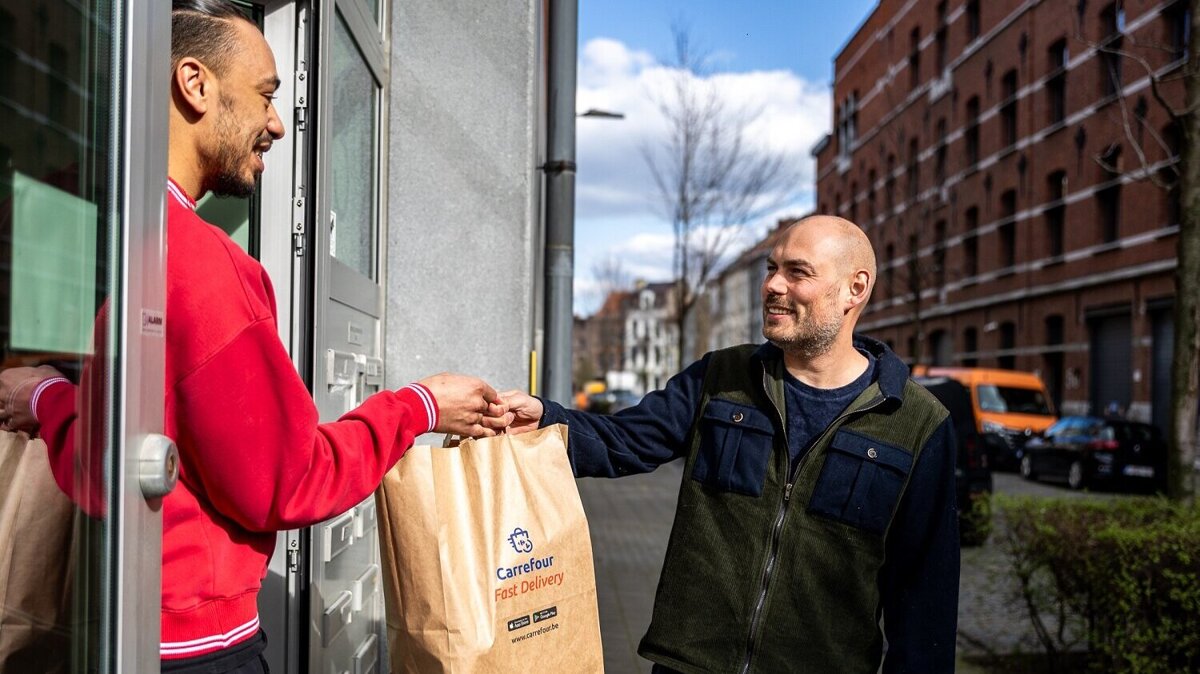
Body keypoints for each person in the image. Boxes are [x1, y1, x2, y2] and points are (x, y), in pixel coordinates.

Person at [0, 1, 510, 672]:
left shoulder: (119, 237)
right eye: (267, 94)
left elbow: (114, 455)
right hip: (198, 648)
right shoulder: (203, 265)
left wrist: (47, 401)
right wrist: (419, 405)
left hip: (124, 624)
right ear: (195, 84)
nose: (276, 122)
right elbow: (288, 483)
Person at [503, 215, 960, 673]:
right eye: (770, 268)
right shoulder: (721, 379)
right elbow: (623, 441)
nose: (773, 285)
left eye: (797, 272)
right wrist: (545, 421)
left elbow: (924, 605)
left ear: (854, 290)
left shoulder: (917, 424)